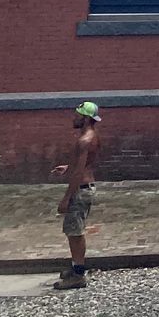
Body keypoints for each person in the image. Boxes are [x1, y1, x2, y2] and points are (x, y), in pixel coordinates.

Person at [53, 102, 101, 290]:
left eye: (78, 115)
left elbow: (79, 173)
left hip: (81, 189)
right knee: (74, 231)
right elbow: (85, 163)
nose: (74, 117)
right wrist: (68, 167)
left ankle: (78, 276)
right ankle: (76, 267)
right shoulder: (92, 137)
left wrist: (66, 199)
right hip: (86, 186)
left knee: (75, 232)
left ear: (86, 118)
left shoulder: (84, 141)